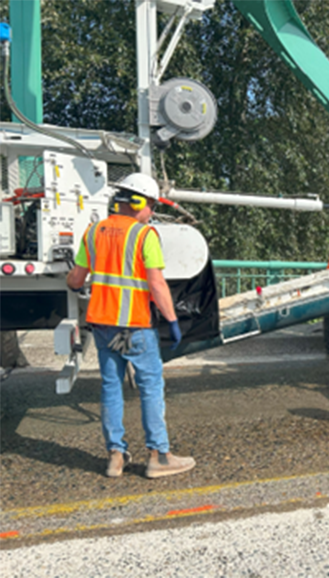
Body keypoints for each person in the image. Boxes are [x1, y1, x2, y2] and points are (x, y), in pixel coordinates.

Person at [66, 173, 195, 479]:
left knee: (112, 385)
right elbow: (157, 284)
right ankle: (159, 456)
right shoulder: (144, 235)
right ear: (137, 203)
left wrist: (76, 287)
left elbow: (75, 279)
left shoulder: (94, 231)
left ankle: (115, 456)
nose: (151, 212)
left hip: (103, 326)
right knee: (150, 387)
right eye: (150, 205)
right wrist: (173, 322)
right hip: (134, 326)